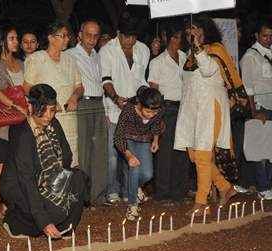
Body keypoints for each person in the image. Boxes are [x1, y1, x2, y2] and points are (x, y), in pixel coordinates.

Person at [1, 84, 87, 238]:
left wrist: (56, 179)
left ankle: (64, 226)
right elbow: (26, 179)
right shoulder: (22, 134)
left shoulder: (53, 124)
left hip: (45, 179)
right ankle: (15, 223)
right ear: (30, 106)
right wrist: (44, 222)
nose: (48, 115)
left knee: (79, 178)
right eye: (43, 109)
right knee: (48, 215)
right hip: (19, 185)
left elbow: (67, 155)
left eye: (52, 110)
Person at [174, 15, 238, 214]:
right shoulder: (190, 54)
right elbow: (186, 82)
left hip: (210, 107)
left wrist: (199, 48)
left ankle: (201, 203)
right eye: (187, 32)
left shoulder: (216, 49)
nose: (190, 34)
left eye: (194, 29)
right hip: (193, 109)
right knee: (194, 154)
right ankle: (225, 187)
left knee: (202, 153)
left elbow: (209, 70)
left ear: (204, 30)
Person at [99, 15, 150, 205]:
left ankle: (130, 190)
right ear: (118, 34)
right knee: (113, 155)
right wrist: (115, 98)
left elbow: (141, 80)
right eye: (126, 36)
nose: (130, 41)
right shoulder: (107, 51)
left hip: (135, 111)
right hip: (113, 109)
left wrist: (143, 97)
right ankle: (112, 190)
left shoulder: (143, 50)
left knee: (132, 153)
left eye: (134, 37)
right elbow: (105, 80)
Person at [24, 21, 84, 168]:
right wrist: (47, 102)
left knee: (69, 159)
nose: (67, 39)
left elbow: (79, 86)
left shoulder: (71, 59)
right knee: (48, 162)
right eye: (63, 36)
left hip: (69, 118)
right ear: (51, 38)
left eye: (67, 36)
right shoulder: (36, 59)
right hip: (45, 118)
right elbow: (27, 88)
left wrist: (75, 97)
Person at [0, 22, 25, 217]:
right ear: (1, 41)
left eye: (16, 38)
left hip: (20, 119)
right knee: (1, 162)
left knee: (15, 162)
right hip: (2, 119)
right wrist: (14, 105)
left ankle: (11, 202)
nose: (16, 42)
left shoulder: (20, 62)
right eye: (11, 38)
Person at [148, 21, 190, 201]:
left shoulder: (186, 57)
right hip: (166, 107)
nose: (177, 41)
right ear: (166, 38)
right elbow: (153, 89)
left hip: (185, 107)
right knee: (165, 152)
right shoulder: (157, 62)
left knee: (182, 150)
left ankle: (179, 191)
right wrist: (158, 115)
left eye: (179, 37)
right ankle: (163, 193)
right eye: (174, 37)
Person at [67, 20, 107, 204]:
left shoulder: (97, 56)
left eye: (95, 35)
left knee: (100, 151)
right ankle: (81, 198)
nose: (92, 39)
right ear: (80, 35)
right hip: (83, 103)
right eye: (88, 35)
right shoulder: (70, 55)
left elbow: (101, 83)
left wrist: (105, 111)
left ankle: (98, 197)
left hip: (99, 104)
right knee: (83, 151)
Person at [115, 87, 163, 220]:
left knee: (148, 174)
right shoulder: (129, 110)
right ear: (140, 105)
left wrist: (156, 140)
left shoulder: (157, 110)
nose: (151, 114)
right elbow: (118, 135)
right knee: (135, 167)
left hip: (144, 140)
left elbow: (157, 124)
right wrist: (128, 155)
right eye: (148, 111)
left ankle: (135, 189)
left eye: (155, 111)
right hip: (128, 140)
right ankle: (132, 206)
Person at [240, 18, 272, 200]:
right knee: (260, 149)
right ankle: (263, 186)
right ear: (257, 36)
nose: (268, 39)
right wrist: (253, 111)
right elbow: (248, 87)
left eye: (271, 36)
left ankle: (268, 184)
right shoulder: (250, 57)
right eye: (265, 36)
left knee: (270, 148)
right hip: (260, 106)